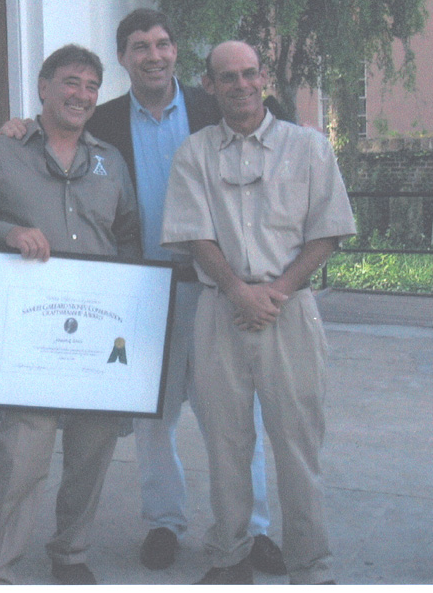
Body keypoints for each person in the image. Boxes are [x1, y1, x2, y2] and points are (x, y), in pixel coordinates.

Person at [0, 9, 284, 575]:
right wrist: (11, 128)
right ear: (125, 57)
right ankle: (164, 521)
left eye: (163, 44)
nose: (154, 55)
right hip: (137, 293)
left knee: (233, 417)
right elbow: (54, 137)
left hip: (218, 290)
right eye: (140, 46)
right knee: (150, 418)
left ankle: (251, 528)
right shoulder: (105, 122)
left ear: (177, 53)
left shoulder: (214, 106)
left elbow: (273, 140)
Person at [161, 40, 356, 585]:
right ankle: (230, 557)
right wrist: (237, 291)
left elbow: (329, 231)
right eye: (228, 77)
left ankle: (309, 563)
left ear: (263, 77)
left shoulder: (309, 148)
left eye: (249, 74)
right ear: (210, 85)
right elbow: (194, 233)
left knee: (297, 442)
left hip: (290, 311)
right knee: (226, 443)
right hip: (220, 309)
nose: (241, 85)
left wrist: (277, 291)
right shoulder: (195, 153)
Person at [0, 44, 140, 585]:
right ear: (42, 86)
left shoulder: (109, 160)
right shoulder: (1, 153)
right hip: (30, 337)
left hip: (97, 334)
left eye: (90, 86)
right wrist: (7, 233)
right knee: (21, 458)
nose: (81, 95)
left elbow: (127, 236)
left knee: (92, 449)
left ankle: (71, 552)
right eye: (71, 82)